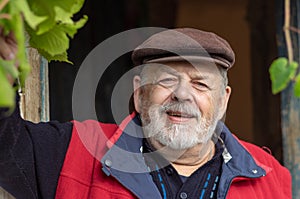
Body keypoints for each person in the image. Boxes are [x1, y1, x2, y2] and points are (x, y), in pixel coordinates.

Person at [0, 27, 291, 199]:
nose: (182, 94)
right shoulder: (75, 150)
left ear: (223, 101)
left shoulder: (270, 176)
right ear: (139, 94)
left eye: (200, 84)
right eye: (166, 80)